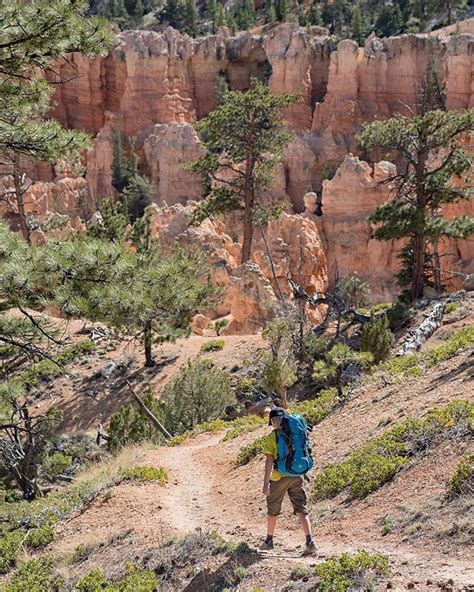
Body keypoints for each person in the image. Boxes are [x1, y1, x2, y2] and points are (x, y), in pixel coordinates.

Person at [261, 407, 316, 555]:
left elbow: (269, 461)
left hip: (279, 477)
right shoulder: (296, 432)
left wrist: (266, 484)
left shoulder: (272, 437)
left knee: (273, 509)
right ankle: (309, 541)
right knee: (301, 507)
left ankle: (269, 541)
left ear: (273, 421)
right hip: (297, 475)